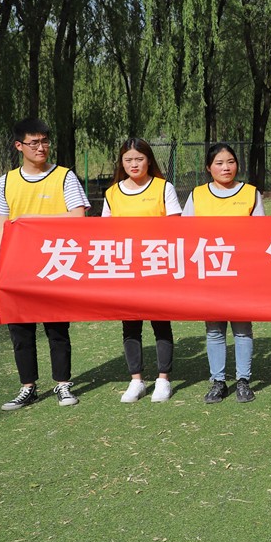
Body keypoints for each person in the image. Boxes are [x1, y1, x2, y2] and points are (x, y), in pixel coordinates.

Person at [0, 118, 90, 410]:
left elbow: (78, 217)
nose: (41, 147)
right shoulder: (7, 180)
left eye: (45, 141)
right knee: (20, 330)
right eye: (34, 142)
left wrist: (33, 220)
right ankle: (28, 387)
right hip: (17, 265)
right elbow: (1, 225)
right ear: (19, 146)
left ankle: (63, 384)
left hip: (54, 263)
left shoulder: (64, 176)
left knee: (57, 329)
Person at [183, 143, 264, 404]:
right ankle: (218, 381)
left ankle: (243, 380)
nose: (226, 168)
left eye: (230, 162)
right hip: (209, 272)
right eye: (219, 163)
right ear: (209, 168)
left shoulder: (251, 193)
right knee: (214, 329)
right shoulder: (197, 195)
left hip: (241, 272)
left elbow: (261, 235)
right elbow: (184, 234)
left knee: (242, 328)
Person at [103, 138, 183, 403]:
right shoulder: (112, 193)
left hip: (157, 265)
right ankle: (136, 380)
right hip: (126, 268)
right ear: (121, 163)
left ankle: (163, 379)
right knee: (130, 325)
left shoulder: (163, 188)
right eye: (128, 160)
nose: (134, 164)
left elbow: (176, 228)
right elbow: (105, 233)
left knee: (160, 322)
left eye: (139, 159)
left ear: (149, 160)